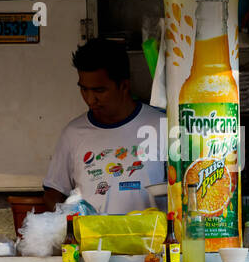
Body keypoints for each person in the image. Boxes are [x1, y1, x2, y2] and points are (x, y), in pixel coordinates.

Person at [42, 39, 166, 215]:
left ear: (124, 86)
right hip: (94, 242)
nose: (90, 100)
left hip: (151, 240)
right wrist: (69, 220)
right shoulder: (73, 134)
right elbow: (53, 193)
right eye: (84, 89)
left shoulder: (162, 125)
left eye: (99, 91)